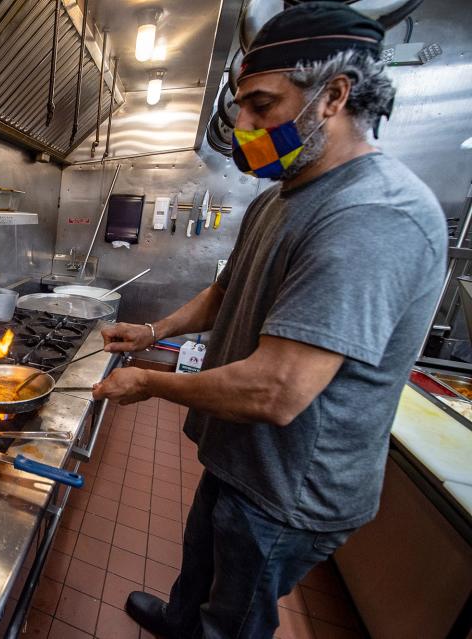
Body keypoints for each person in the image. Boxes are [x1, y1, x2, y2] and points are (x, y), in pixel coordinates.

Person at [91, 3, 448, 638]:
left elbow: (277, 390)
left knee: (234, 618)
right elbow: (226, 291)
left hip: (287, 489)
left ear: (333, 96)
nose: (246, 125)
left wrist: (149, 382)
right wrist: (153, 335)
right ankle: (178, 623)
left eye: (262, 105)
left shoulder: (373, 214)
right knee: (199, 570)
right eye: (242, 109)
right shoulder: (279, 198)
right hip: (240, 457)